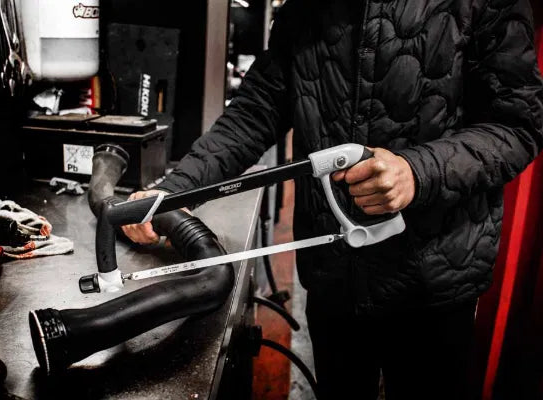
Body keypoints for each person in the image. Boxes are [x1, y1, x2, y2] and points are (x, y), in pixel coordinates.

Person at [122, 0, 543, 398]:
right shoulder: (307, 7)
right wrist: (177, 191)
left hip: (435, 281)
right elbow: (257, 109)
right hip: (334, 276)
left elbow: (517, 126)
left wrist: (417, 172)